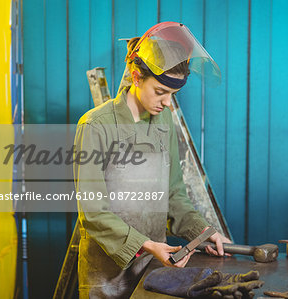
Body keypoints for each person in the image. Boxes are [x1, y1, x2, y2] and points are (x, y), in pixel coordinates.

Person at [73, 22, 231, 298]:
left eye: (173, 95)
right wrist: (145, 244)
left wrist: (203, 230)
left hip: (154, 271)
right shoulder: (95, 126)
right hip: (106, 277)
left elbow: (174, 194)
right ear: (136, 77)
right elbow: (93, 212)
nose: (168, 103)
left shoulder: (164, 121)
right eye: (160, 92)